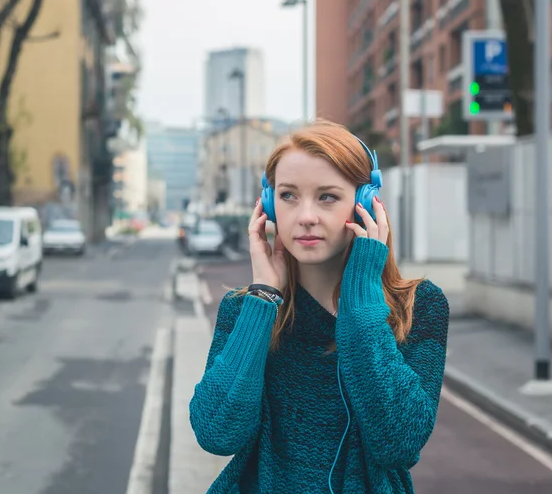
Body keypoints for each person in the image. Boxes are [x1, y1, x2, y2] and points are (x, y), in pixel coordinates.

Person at [190, 119, 450, 494]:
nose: (305, 216)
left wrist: (361, 304)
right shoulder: (245, 309)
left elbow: (398, 442)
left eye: (327, 196)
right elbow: (216, 433)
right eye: (288, 196)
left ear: (365, 203)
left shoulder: (418, 306)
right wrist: (264, 296)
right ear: (269, 204)